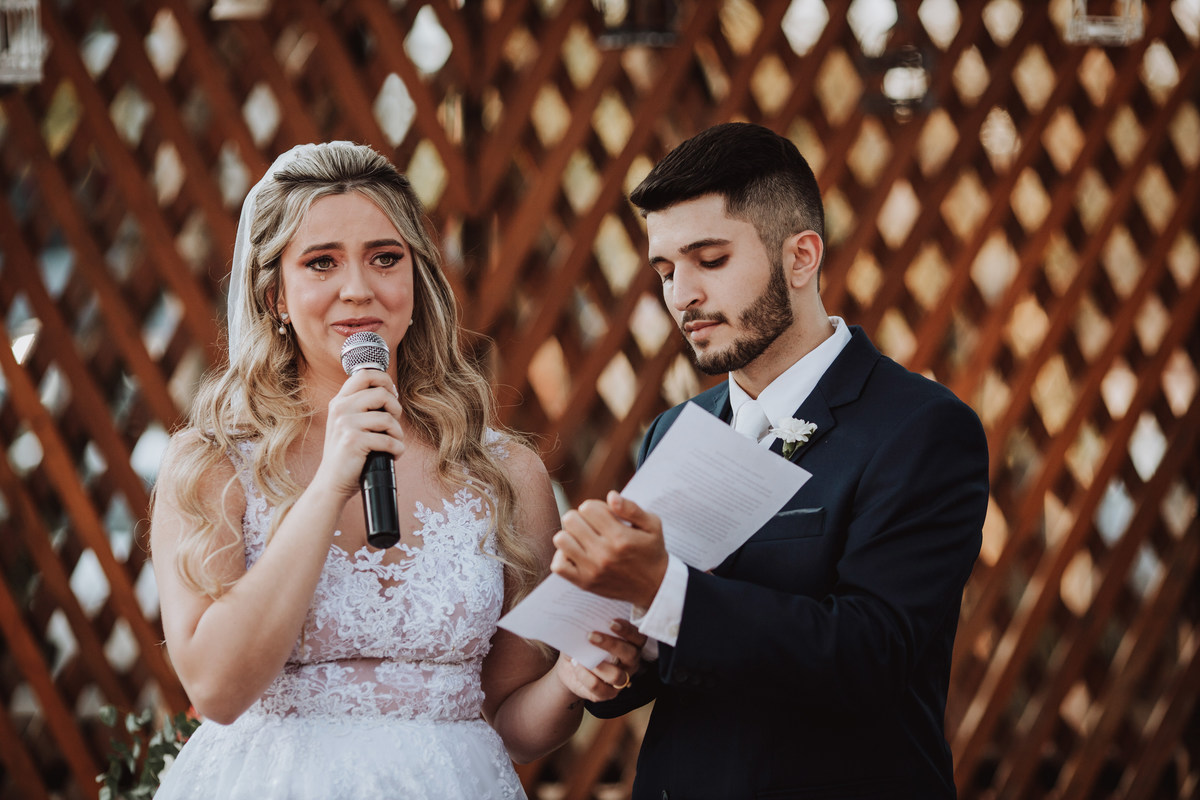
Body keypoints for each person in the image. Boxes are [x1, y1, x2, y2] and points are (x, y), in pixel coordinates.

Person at [149, 141, 644, 800]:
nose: (359, 288)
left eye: (386, 258)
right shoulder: (212, 465)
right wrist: (330, 482)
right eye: (321, 263)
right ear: (275, 295)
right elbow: (216, 688)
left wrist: (572, 683)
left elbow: (513, 722)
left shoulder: (504, 472)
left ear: (417, 279)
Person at [550, 122, 990, 799]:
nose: (682, 295)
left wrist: (662, 587)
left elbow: (871, 655)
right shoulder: (674, 430)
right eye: (666, 270)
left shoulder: (923, 431)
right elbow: (666, 654)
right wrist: (606, 663)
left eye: (710, 259)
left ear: (802, 257)